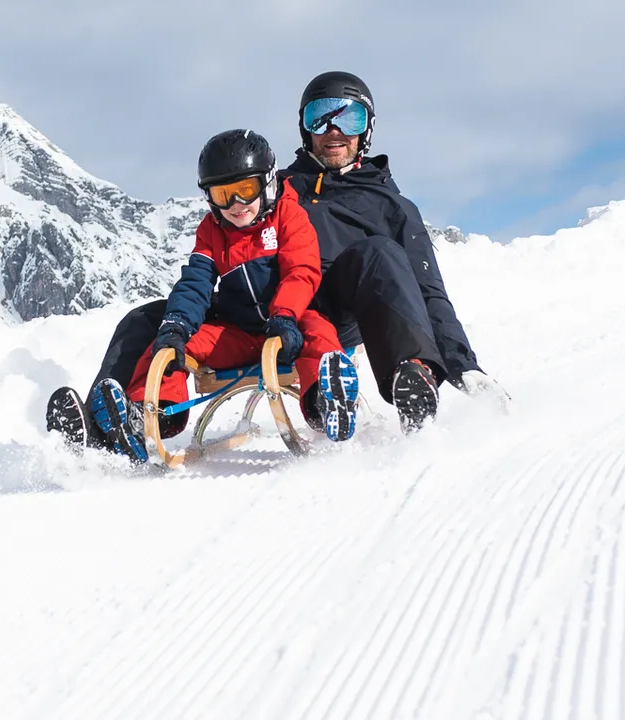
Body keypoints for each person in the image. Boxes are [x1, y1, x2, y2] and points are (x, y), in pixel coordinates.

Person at [48, 71, 502, 447]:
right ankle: (103, 427)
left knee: (377, 253)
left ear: (368, 126)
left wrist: (463, 364)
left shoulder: (391, 206)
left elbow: (427, 292)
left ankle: (410, 379)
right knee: (150, 317)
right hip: (253, 309)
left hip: (329, 307)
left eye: (350, 117)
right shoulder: (271, 189)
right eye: (320, 117)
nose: (333, 132)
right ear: (304, 126)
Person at [47, 129, 359, 460]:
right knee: (169, 349)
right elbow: (196, 282)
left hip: (291, 323)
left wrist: (284, 316)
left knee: (320, 336)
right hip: (238, 332)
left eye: (245, 190)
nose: (236, 204)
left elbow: (301, 271)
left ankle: (326, 403)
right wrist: (176, 327)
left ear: (267, 183)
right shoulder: (212, 231)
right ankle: (146, 416)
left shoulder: (288, 216)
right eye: (224, 194)